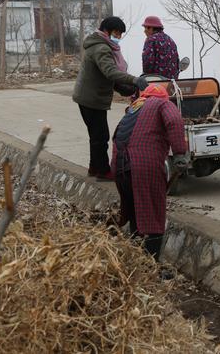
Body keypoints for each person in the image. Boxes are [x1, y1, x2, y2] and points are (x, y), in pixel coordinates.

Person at [111, 84, 189, 259]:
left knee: (134, 212)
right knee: (154, 212)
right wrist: (179, 153)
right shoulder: (162, 104)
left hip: (119, 167)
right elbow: (174, 121)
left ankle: (136, 260)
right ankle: (152, 265)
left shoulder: (133, 107)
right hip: (143, 166)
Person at [73, 16, 149, 180]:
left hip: (89, 97)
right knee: (101, 136)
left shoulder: (101, 45)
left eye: (121, 34)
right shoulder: (102, 48)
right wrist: (134, 80)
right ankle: (103, 171)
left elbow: (107, 77)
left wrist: (126, 89)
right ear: (106, 31)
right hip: (91, 99)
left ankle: (94, 167)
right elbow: (110, 72)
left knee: (96, 135)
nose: (119, 37)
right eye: (116, 33)